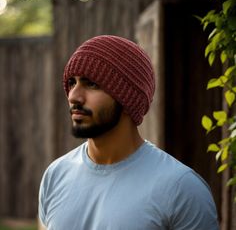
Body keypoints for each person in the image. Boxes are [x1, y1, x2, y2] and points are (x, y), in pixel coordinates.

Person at [38, 35, 219, 230]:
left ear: (127, 100)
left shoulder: (181, 188)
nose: (74, 96)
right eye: (72, 83)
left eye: (91, 84)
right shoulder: (55, 175)